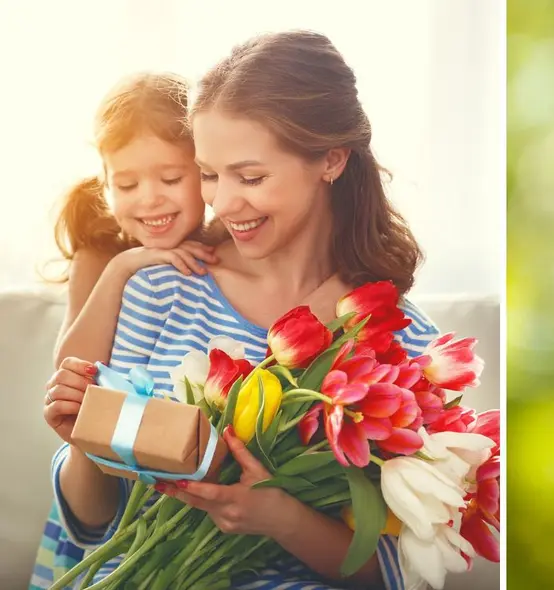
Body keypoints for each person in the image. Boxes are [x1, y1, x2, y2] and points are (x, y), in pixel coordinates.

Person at [35, 30, 440, 590]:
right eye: (208, 174)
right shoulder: (161, 287)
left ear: (332, 160)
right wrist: (83, 440)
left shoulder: (402, 341)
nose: (222, 203)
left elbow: (398, 573)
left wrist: (282, 520)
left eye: (250, 177)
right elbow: (93, 526)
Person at [47, 71, 220, 371]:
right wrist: (121, 268)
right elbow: (70, 368)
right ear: (107, 183)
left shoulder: (223, 246)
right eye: (127, 185)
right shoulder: (98, 256)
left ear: (205, 170)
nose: (150, 199)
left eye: (171, 179)